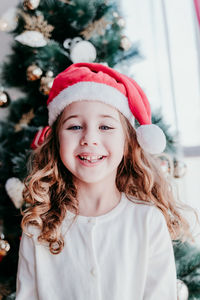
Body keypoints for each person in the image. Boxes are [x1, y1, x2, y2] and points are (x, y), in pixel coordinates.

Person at [16, 62, 194, 300]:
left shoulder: (147, 221)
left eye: (106, 126)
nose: (89, 138)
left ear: (128, 143)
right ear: (57, 141)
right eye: (75, 126)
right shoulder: (37, 227)